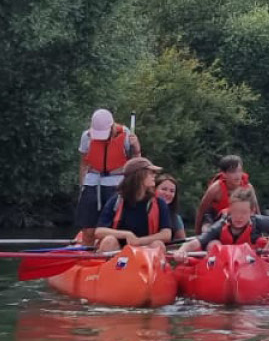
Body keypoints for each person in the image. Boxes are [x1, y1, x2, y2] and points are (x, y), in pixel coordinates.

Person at [74, 108, 138, 246]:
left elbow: (136, 162)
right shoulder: (87, 136)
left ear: (112, 126)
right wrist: (82, 187)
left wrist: (137, 148)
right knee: (88, 227)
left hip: (116, 183)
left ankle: (108, 252)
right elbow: (84, 163)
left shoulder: (126, 135)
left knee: (111, 226)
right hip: (93, 182)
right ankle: (87, 256)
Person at [92, 158, 179, 254]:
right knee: (109, 240)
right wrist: (127, 235)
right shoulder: (117, 200)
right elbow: (99, 231)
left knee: (158, 244)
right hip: (119, 251)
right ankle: (109, 267)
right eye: (150, 173)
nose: (154, 176)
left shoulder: (159, 202)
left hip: (145, 250)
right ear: (139, 175)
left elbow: (166, 234)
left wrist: (138, 241)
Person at [179, 186, 269, 254]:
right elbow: (196, 242)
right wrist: (182, 250)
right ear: (230, 210)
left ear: (252, 212)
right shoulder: (220, 226)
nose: (239, 216)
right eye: (235, 211)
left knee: (262, 242)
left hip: (249, 259)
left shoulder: (257, 222)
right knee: (213, 244)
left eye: (244, 212)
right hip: (223, 261)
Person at [194, 155, 251, 229]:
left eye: (239, 171)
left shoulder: (248, 187)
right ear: (224, 174)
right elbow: (201, 211)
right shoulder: (215, 188)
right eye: (233, 172)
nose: (237, 175)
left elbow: (256, 210)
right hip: (214, 217)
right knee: (206, 225)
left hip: (235, 219)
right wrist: (199, 234)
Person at [152, 172, 191, 244]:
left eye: (172, 191)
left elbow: (181, 243)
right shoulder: (144, 211)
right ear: (154, 189)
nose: (167, 194)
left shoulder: (175, 218)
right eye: (164, 189)